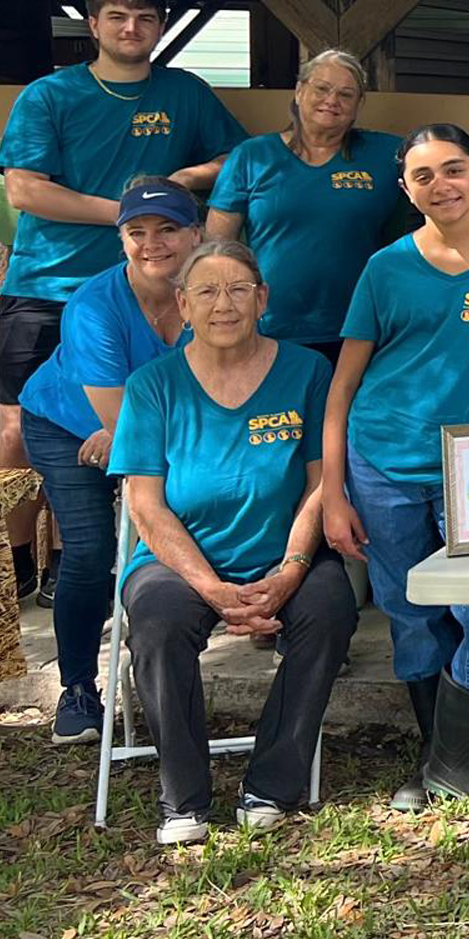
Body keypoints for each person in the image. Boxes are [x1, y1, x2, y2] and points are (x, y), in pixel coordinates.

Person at [321, 123, 469, 817]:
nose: (441, 186)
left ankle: (450, 759)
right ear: (406, 188)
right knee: (410, 610)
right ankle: (449, 757)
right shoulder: (385, 267)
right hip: (382, 458)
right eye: (424, 176)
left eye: (453, 170)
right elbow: (343, 387)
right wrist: (333, 490)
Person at [0, 0, 244, 600]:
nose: (131, 28)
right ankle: (11, 564)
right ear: (93, 24)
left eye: (144, 17)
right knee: (24, 428)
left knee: (133, 424)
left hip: (157, 293)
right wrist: (133, 215)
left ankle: (73, 565)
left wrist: (184, 177)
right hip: (52, 282)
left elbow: (238, 159)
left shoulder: (186, 92)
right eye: (117, 17)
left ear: (159, 26)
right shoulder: (50, 94)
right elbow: (25, 188)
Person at [110, 239, 357, 846]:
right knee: (159, 623)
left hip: (283, 555)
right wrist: (210, 587)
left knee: (330, 609)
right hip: (180, 564)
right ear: (183, 306)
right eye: (208, 292)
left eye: (239, 289)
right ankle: (184, 799)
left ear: (263, 299)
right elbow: (145, 504)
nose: (225, 304)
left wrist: (293, 569)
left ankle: (272, 782)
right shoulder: (152, 385)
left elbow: (320, 483)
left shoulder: (306, 370)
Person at [18, 181, 201, 744]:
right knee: (92, 549)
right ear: (121, 239)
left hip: (139, 426)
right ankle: (77, 689)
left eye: (167, 229)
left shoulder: (215, 292)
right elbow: (125, 429)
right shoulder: (94, 304)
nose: (153, 244)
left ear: (196, 234)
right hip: (66, 426)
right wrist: (123, 432)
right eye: (137, 232)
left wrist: (129, 432)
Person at [206, 49, 403, 365]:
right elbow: (216, 248)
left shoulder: (386, 154)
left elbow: (441, 165)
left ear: (358, 106)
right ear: (299, 92)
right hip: (269, 328)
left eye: (346, 94)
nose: (332, 100)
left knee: (339, 415)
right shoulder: (252, 156)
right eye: (322, 88)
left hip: (359, 329)